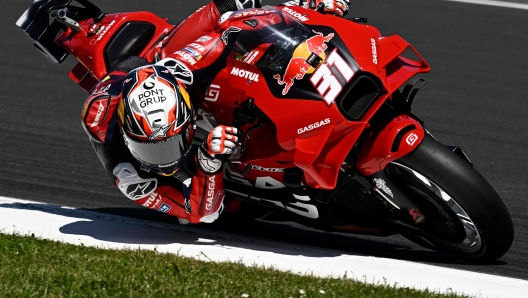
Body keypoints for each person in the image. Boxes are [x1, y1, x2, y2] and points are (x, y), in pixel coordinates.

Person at [81, 0, 349, 224]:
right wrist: (208, 162)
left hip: (163, 64)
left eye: (170, 144)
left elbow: (237, 26)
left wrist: (303, 9)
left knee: (233, 5)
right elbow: (201, 213)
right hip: (136, 82)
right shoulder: (130, 176)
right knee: (226, 211)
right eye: (154, 149)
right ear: (129, 136)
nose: (165, 160)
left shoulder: (186, 67)